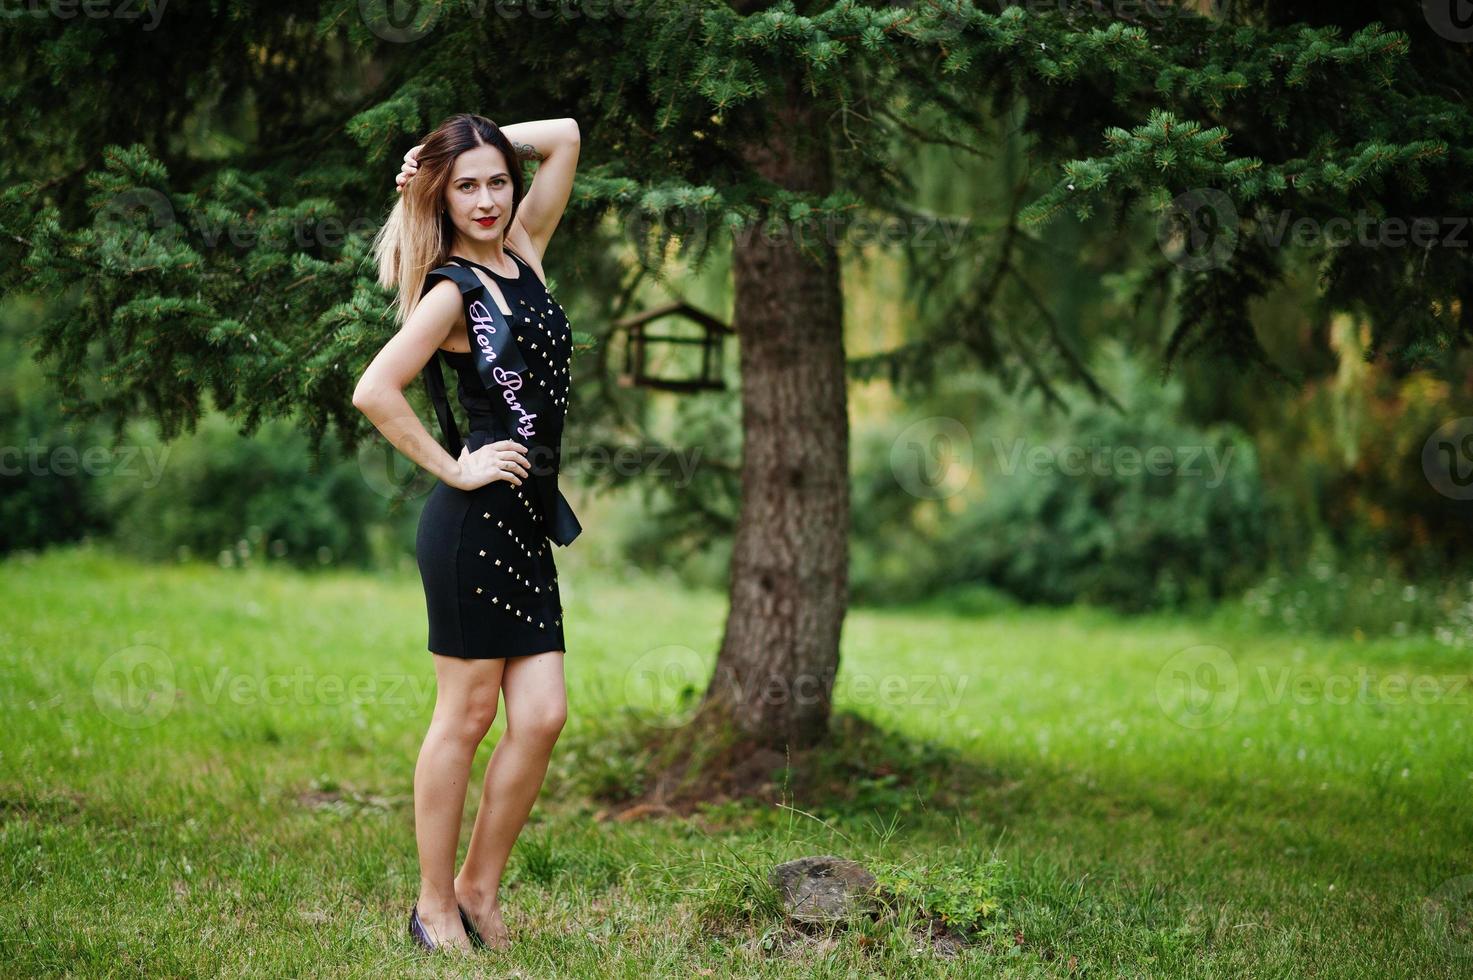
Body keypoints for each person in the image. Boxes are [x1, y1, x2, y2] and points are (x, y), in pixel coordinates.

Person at [352, 112, 581, 954]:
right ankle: (432, 906)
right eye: (465, 185)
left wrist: (459, 143)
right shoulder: (452, 289)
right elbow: (375, 390)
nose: (486, 199)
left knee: (544, 715)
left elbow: (565, 136)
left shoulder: (524, 250)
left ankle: (478, 888)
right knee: (466, 717)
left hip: (523, 524)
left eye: (494, 180)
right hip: (470, 527)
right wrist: (453, 467)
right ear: (441, 199)